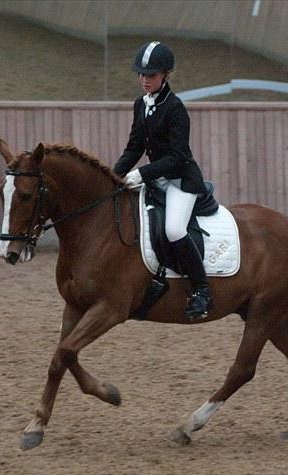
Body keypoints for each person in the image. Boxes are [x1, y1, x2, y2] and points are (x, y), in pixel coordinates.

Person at [113, 41, 212, 321]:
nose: (145, 80)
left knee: (173, 230)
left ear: (165, 75)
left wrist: (142, 174)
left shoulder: (176, 108)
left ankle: (202, 290)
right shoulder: (140, 105)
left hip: (182, 181)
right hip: (157, 180)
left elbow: (178, 158)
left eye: (151, 75)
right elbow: (134, 148)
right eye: (142, 75)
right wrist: (113, 175)